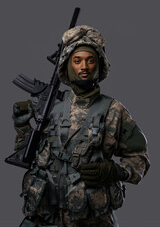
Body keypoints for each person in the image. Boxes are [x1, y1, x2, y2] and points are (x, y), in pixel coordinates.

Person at [12, 25, 150, 227]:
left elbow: (140, 159)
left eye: (90, 60)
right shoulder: (52, 106)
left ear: (99, 66)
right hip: (44, 216)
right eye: (77, 61)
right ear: (67, 66)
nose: (84, 67)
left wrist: (116, 172)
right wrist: (23, 125)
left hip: (90, 219)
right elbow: (32, 155)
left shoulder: (113, 110)